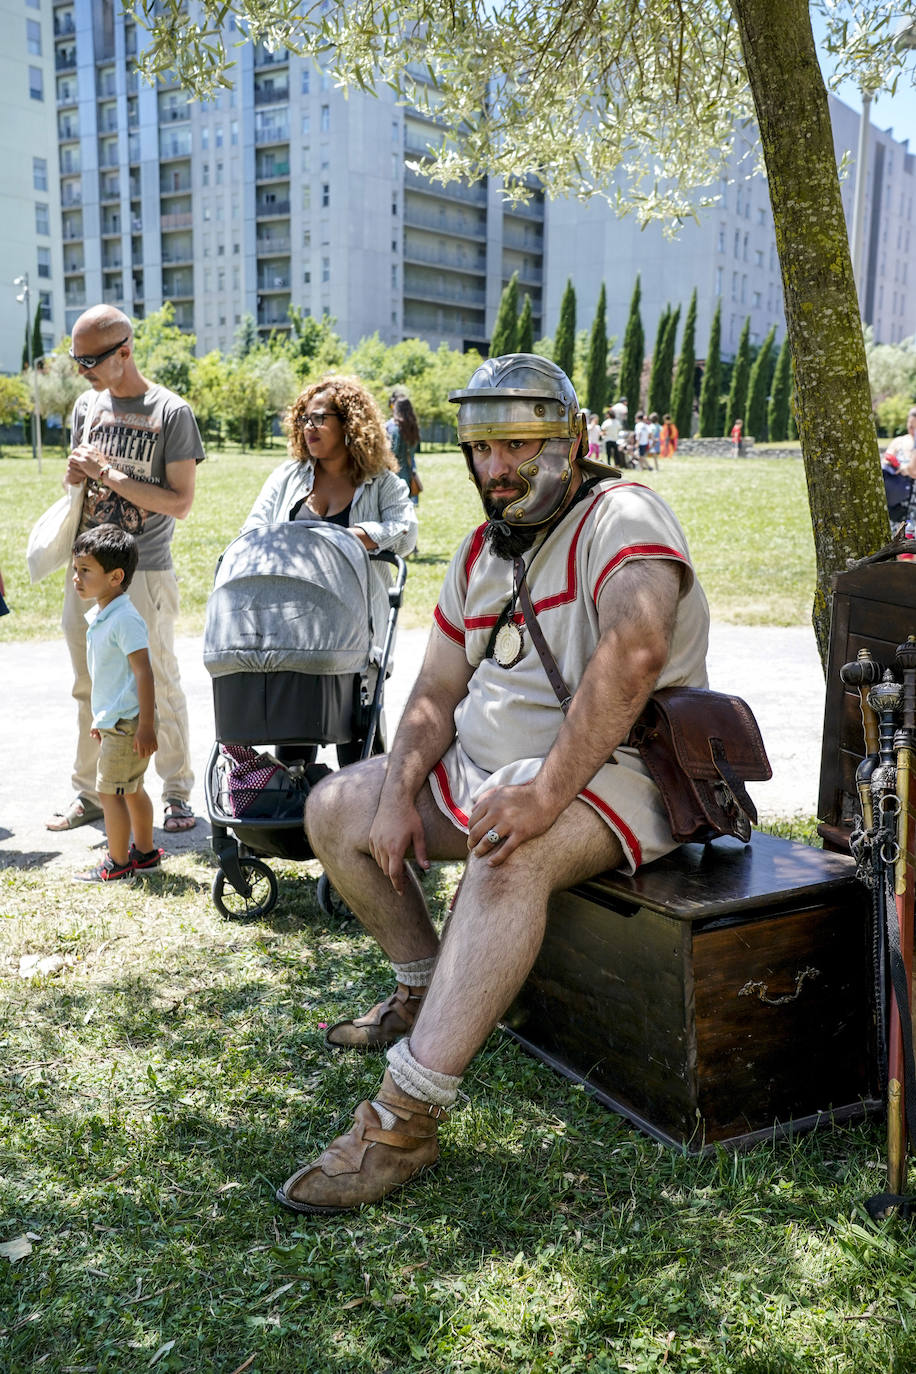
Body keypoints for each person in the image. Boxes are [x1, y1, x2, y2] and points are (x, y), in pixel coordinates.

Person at [276, 353, 710, 1215]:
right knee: (336, 808)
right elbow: (436, 693)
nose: (497, 469)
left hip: (618, 773)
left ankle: (403, 1121)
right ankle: (425, 986)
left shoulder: (621, 517)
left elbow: (635, 654)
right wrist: (398, 794)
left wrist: (545, 793)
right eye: (481, 449)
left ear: (574, 441)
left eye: (518, 445)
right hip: (488, 771)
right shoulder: (481, 549)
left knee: (506, 849)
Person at [47, 304, 204, 836]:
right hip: (87, 568)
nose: (83, 370)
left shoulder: (171, 412)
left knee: (155, 678)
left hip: (144, 571)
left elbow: (180, 502)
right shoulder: (87, 405)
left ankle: (177, 791)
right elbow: (81, 480)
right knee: (88, 682)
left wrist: (106, 473)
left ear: (125, 351)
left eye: (91, 359)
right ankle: (89, 791)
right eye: (76, 358)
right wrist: (78, 474)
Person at [242, 375, 417, 762]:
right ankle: (293, 816)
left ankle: (364, 813)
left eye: (319, 418)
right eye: (304, 419)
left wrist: (353, 537)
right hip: (292, 633)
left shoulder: (381, 483)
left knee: (358, 750)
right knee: (292, 746)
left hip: (354, 634)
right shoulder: (287, 477)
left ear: (349, 423)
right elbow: (251, 532)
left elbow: (405, 532)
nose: (309, 427)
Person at [70, 526, 162, 882]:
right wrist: (100, 717)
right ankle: (146, 853)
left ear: (115, 576)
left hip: (128, 725)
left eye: (85, 570)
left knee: (109, 794)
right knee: (132, 789)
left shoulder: (124, 618)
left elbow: (144, 674)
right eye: (76, 569)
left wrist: (146, 726)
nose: (76, 577)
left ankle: (119, 862)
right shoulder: (104, 614)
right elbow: (113, 678)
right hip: (118, 721)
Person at [386, 391, 423, 506]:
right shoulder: (413, 427)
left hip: (393, 475)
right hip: (408, 474)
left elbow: (392, 453)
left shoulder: (393, 427)